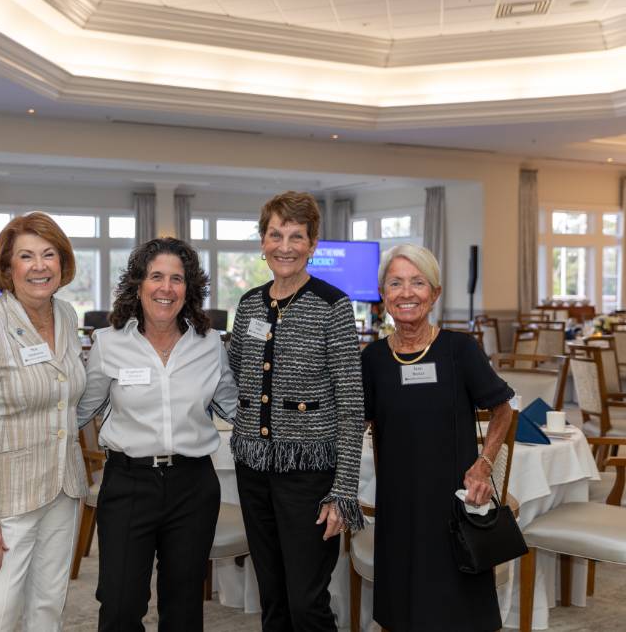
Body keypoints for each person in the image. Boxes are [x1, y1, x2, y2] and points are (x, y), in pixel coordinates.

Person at [78, 237, 238, 632]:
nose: (166, 288)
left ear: (189, 288)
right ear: (138, 284)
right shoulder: (109, 343)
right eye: (156, 277)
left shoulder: (209, 345)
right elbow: (82, 410)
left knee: (183, 608)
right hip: (128, 483)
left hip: (192, 485)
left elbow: (235, 408)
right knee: (119, 604)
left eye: (177, 279)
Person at [228, 191, 365, 631]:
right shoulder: (249, 304)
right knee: (272, 595)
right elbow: (235, 376)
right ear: (262, 241)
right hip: (253, 469)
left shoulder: (333, 306)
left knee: (306, 600)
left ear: (312, 244)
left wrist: (343, 491)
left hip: (308, 476)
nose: (284, 246)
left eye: (296, 236)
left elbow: (351, 405)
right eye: (275, 235)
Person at [0, 212, 88, 632]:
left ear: (62, 262)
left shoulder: (66, 315)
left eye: (49, 254)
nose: (39, 266)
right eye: (26, 256)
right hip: (6, 497)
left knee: (48, 607)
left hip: (63, 487)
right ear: (8, 267)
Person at [361, 244, 513, 631]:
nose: (406, 293)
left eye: (418, 282)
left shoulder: (459, 350)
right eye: (395, 283)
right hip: (398, 505)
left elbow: (502, 409)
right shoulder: (373, 359)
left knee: (457, 613)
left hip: (453, 503)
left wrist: (483, 465)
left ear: (435, 293)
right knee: (402, 610)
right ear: (382, 294)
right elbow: (356, 424)